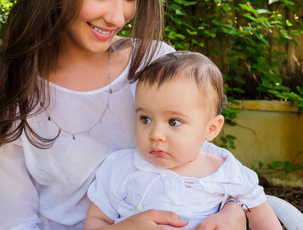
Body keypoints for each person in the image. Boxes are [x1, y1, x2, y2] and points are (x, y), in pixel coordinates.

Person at [0, 0, 246, 229]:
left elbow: (209, 165)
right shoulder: (10, 104)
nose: (118, 17)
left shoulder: (155, 65)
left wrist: (234, 208)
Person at [85, 51, 282, 230]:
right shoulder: (122, 167)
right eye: (145, 119)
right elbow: (95, 222)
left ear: (211, 128)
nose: (156, 134)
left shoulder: (225, 170)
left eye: (174, 121)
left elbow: (263, 216)